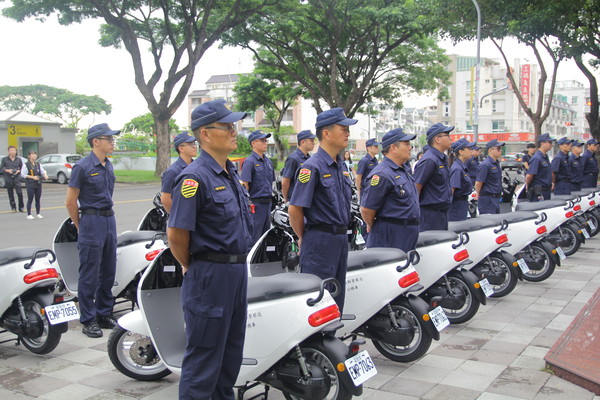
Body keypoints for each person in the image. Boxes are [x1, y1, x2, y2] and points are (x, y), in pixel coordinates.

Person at [167, 99, 252, 399]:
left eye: (234, 126)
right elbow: (176, 234)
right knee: (204, 361)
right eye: (227, 127)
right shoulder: (194, 178)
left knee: (229, 358)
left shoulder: (230, 173)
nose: (234, 132)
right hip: (210, 275)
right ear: (204, 134)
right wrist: (192, 264)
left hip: (236, 272)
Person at [289, 107, 355, 312]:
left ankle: (331, 340)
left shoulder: (340, 165)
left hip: (340, 239)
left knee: (337, 298)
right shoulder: (312, 167)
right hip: (320, 241)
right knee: (319, 298)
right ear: (326, 133)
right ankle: (316, 344)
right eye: (343, 129)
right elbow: (295, 209)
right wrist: (303, 237)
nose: (348, 133)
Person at [65, 123, 120, 338]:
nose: (112, 142)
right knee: (89, 273)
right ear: (96, 141)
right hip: (91, 221)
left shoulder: (108, 165)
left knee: (108, 270)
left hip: (108, 220)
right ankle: (88, 319)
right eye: (109, 139)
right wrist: (81, 226)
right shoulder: (83, 167)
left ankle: (103, 313)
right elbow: (70, 202)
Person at [360, 128, 419, 252]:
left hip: (406, 233)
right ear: (394, 148)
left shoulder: (403, 170)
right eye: (406, 144)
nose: (410, 148)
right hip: (390, 235)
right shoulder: (382, 174)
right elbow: (367, 209)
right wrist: (372, 224)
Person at [413, 122, 453, 231]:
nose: (451, 139)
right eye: (447, 135)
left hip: (440, 213)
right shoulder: (429, 160)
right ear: (437, 139)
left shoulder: (441, 158)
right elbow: (416, 187)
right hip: (429, 215)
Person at [241, 129, 276, 243]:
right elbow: (245, 185)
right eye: (262, 140)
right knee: (254, 235)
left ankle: (263, 259)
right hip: (255, 204)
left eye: (266, 140)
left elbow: (272, 183)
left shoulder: (268, 162)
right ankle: (251, 260)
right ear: (253, 143)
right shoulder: (249, 162)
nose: (265, 143)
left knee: (266, 235)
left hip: (267, 204)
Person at [160, 131, 197, 213]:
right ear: (181, 148)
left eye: (194, 143)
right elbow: (165, 200)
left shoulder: (197, 167)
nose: (195, 147)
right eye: (191, 144)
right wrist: (177, 217)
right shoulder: (173, 171)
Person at [281, 130, 316, 202]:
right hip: (296, 199)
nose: (314, 143)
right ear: (303, 142)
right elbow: (285, 181)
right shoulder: (293, 159)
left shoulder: (310, 159)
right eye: (311, 140)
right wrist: (286, 199)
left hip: (307, 198)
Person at [475, 139, 504, 214]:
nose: (500, 151)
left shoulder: (496, 163)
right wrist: (478, 194)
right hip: (487, 199)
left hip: (496, 198)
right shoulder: (485, 164)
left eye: (500, 149)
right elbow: (479, 182)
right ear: (490, 150)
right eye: (498, 149)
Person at [448, 138, 474, 221]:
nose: (471, 151)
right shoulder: (457, 169)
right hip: (456, 207)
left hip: (462, 205)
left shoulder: (461, 167)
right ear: (461, 152)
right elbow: (451, 191)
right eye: (468, 149)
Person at [526, 133, 555, 202]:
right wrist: (527, 186)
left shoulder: (545, 157)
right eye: (550, 142)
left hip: (547, 190)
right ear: (542, 143)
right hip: (539, 191)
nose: (552, 145)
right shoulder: (537, 158)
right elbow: (530, 175)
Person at [21, 150, 48, 219]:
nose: (34, 156)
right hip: (30, 183)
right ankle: (29, 214)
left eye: (35, 154)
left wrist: (45, 175)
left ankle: (38, 213)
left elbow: (43, 171)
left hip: (38, 183)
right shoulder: (26, 164)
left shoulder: (38, 164)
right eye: (32, 154)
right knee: (30, 199)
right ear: (29, 156)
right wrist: (32, 177)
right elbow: (23, 174)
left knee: (38, 199)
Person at [1, 146, 25, 212]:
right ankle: (13, 207)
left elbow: (22, 168)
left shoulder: (19, 159)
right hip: (8, 177)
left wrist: (18, 171)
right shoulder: (4, 159)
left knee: (19, 193)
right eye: (11, 150)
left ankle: (21, 207)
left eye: (14, 150)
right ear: (8, 151)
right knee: (10, 193)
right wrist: (7, 170)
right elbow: (2, 169)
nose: (13, 152)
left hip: (17, 177)